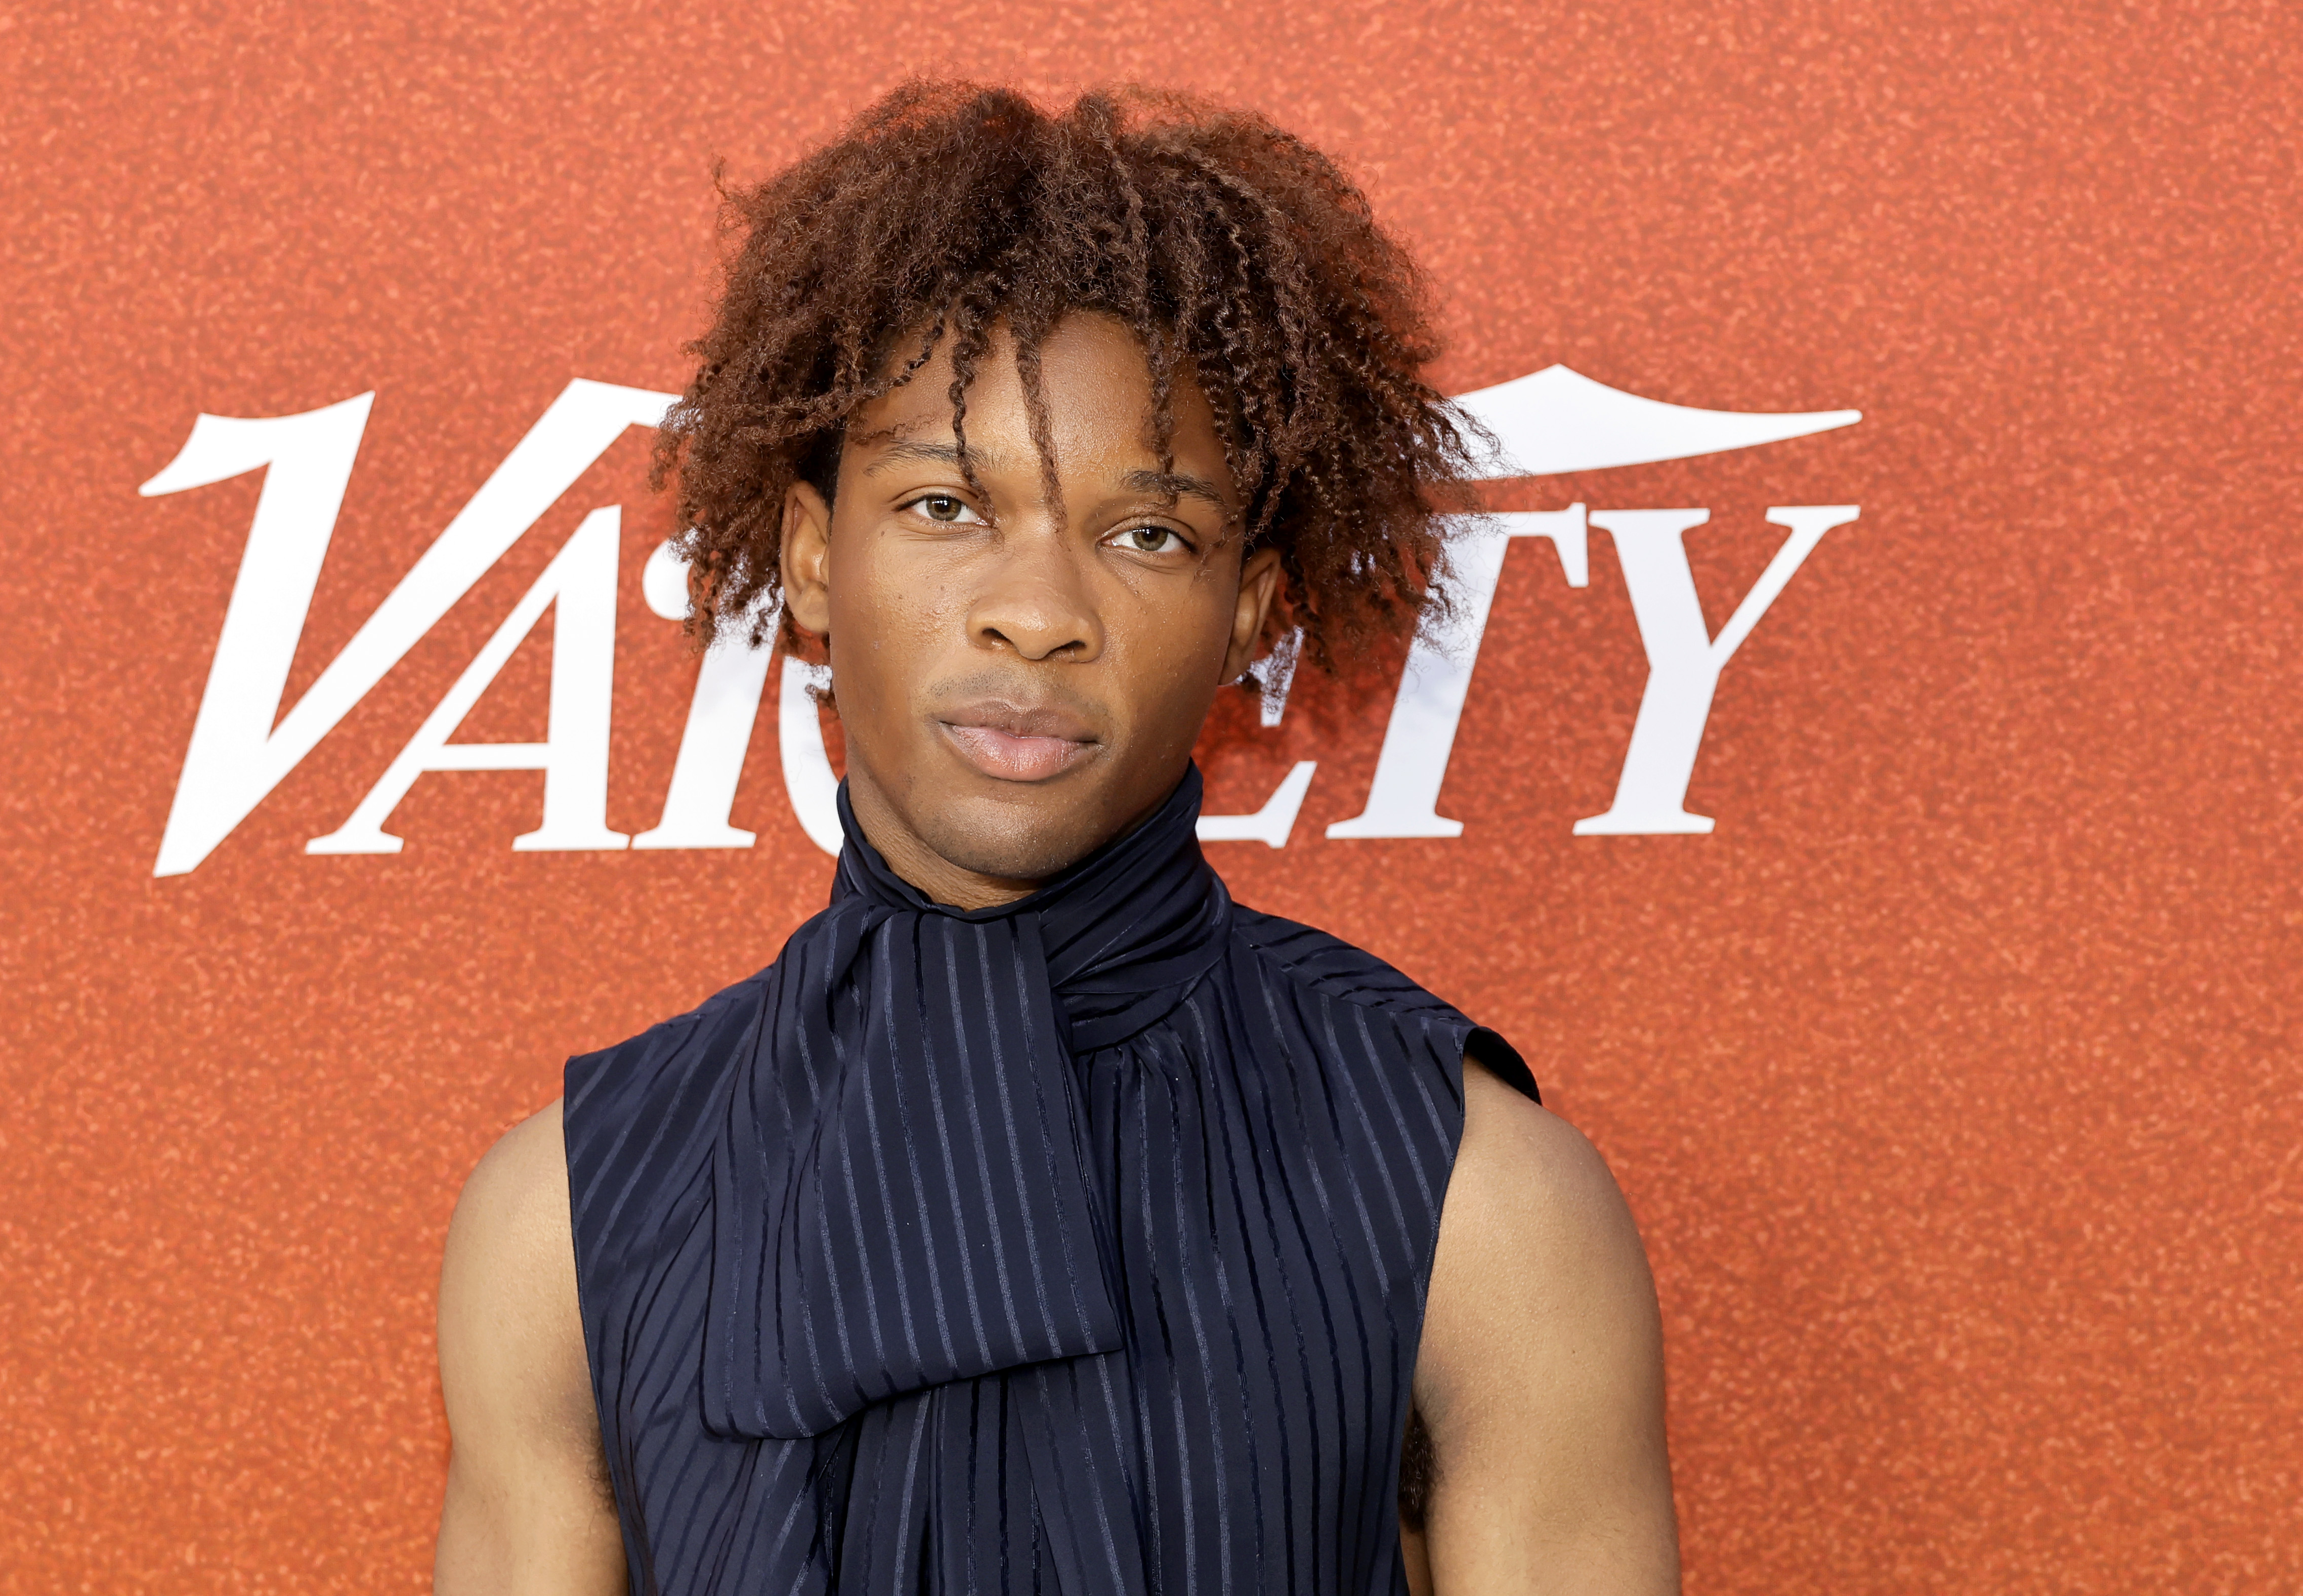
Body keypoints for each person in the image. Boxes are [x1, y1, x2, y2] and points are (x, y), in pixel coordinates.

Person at [432, 82, 1678, 1596]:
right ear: (814, 559)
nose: (1038, 613)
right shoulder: (566, 1219)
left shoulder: (1478, 1201)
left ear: (1250, 613)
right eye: (946, 505)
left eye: (1149, 534)